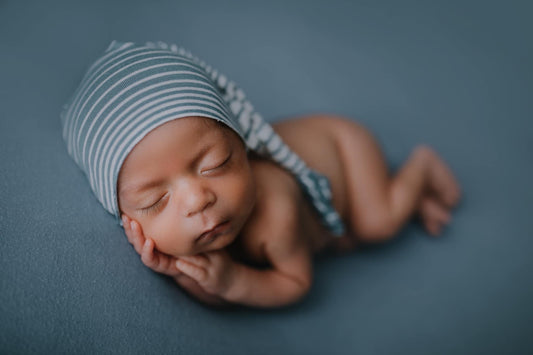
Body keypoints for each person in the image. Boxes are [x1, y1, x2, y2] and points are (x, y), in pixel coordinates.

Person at [61, 41, 461, 308]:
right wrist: (182, 273)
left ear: (244, 146)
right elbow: (214, 286)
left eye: (216, 163)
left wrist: (235, 281)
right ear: (125, 217)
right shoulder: (198, 230)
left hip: (343, 147)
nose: (197, 199)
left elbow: (296, 284)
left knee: (376, 224)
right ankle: (408, 196)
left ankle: (420, 167)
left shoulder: (274, 212)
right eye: (154, 200)